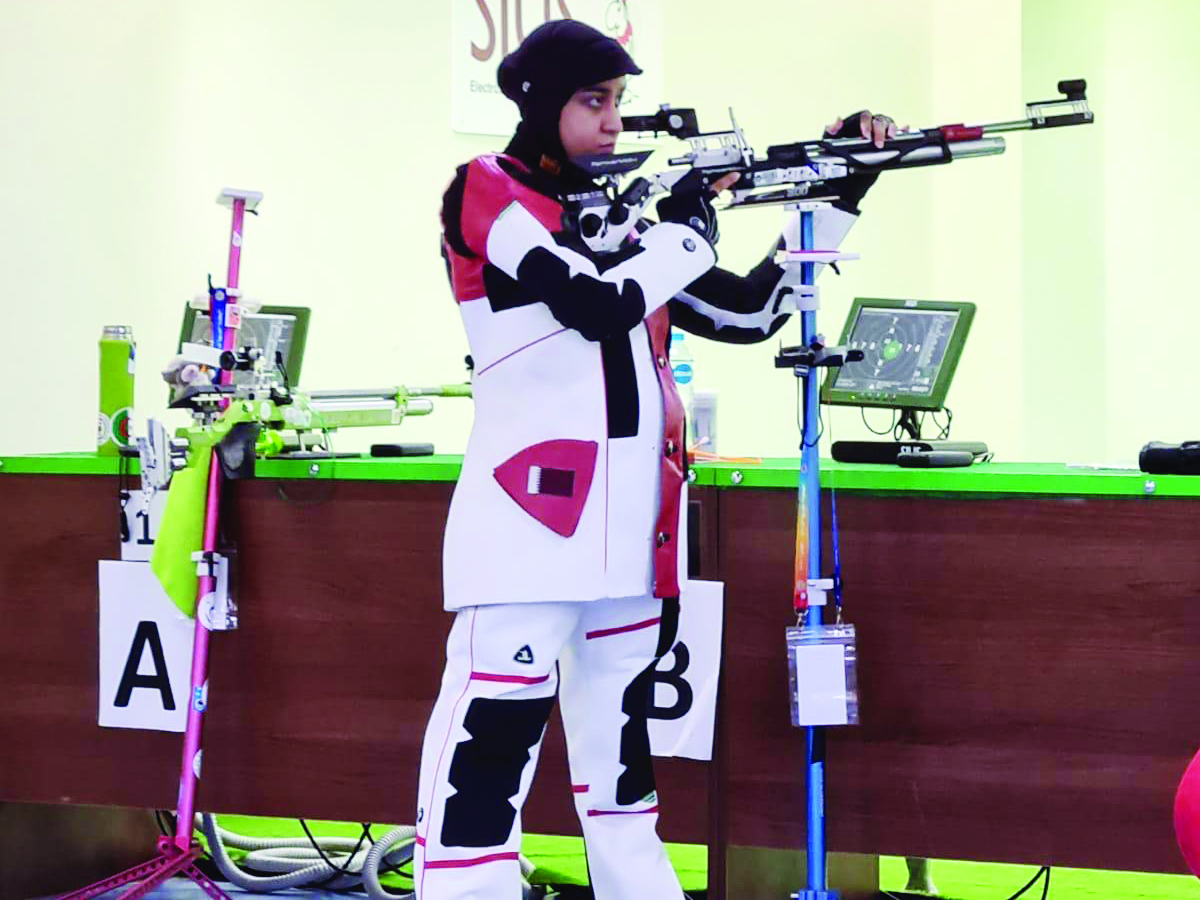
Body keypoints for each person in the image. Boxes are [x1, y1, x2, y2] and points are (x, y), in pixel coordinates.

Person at [415, 19, 898, 900]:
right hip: (528, 522)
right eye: (592, 100)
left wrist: (843, 186)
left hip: (635, 528)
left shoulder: (631, 228)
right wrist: (681, 234)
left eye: (618, 102)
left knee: (623, 762)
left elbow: (750, 314)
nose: (612, 120)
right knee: (492, 743)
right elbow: (593, 302)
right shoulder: (487, 188)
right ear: (540, 102)